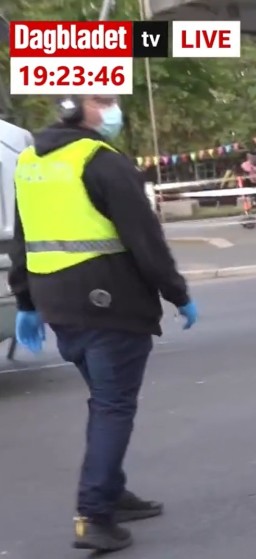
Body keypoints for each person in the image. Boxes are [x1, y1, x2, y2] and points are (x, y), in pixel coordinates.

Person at [9, 95, 198, 552]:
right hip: (109, 304)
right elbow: (145, 238)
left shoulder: (31, 160)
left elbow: (23, 236)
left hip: (59, 305)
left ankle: (112, 493)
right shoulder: (102, 160)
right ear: (80, 109)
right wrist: (178, 293)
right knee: (114, 406)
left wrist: (26, 301)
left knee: (104, 400)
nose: (114, 109)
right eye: (105, 100)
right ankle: (93, 513)